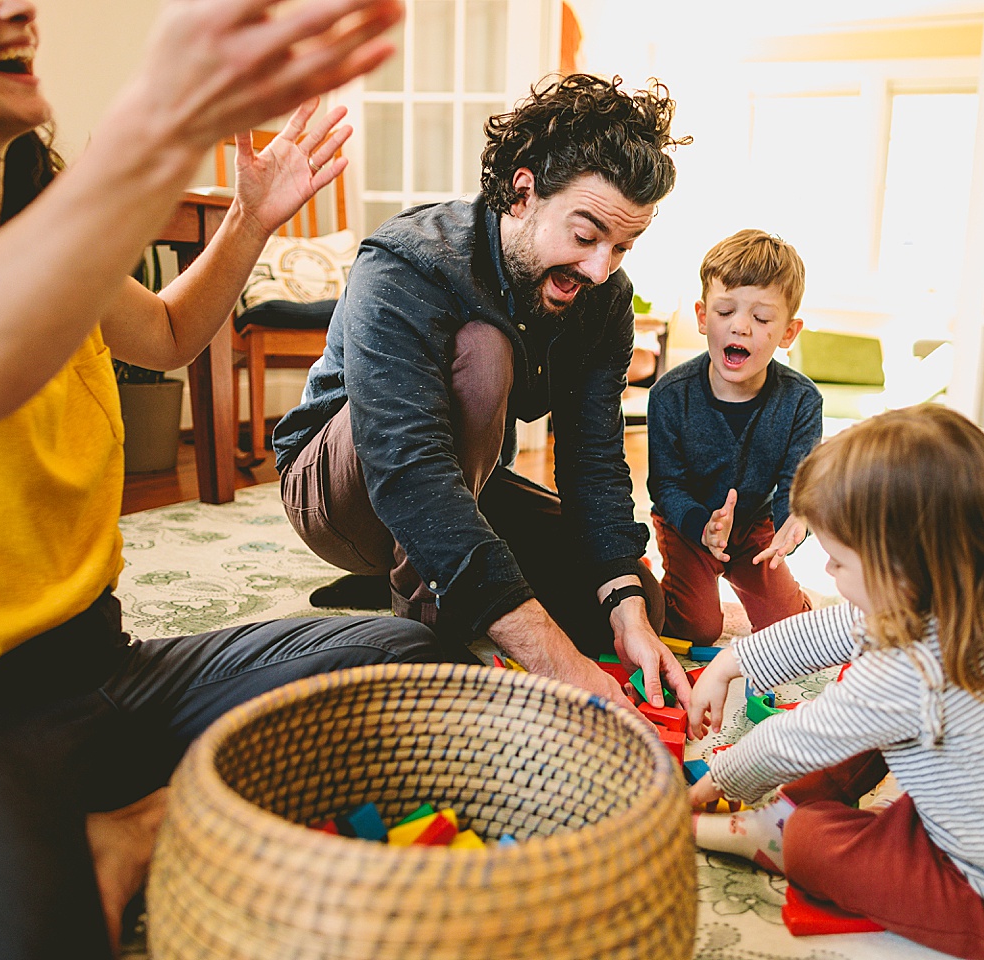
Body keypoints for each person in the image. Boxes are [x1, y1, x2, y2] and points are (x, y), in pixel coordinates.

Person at [0, 1, 471, 957]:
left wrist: (249, 217)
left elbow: (168, 333)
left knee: (413, 667)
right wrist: (163, 118)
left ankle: (139, 826)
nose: (19, 5)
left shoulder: (28, 197)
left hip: (98, 671)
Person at [273, 73, 694, 711]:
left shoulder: (604, 295)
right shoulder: (406, 262)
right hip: (344, 489)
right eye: (584, 237)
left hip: (463, 482)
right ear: (523, 192)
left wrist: (627, 606)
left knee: (631, 598)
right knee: (484, 348)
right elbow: (409, 473)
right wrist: (558, 663)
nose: (600, 268)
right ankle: (418, 626)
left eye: (622, 246)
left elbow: (593, 461)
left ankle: (439, 580)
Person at [684, 405, 984, 960]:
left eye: (839, 563)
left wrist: (719, 781)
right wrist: (732, 663)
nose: (827, 574)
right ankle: (799, 809)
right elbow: (835, 629)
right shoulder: (970, 602)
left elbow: (801, 737)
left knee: (812, 840)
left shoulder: (915, 669)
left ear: (903, 568)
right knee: (860, 712)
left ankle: (776, 832)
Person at [647, 229, 820, 644]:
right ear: (703, 316)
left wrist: (794, 523)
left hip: (755, 527)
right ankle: (647, 581)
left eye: (761, 319)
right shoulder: (669, 395)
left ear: (788, 333)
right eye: (725, 312)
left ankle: (794, 599)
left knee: (791, 634)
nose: (740, 328)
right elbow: (665, 485)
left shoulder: (802, 400)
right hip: (690, 527)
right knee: (698, 630)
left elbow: (797, 488)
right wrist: (701, 526)